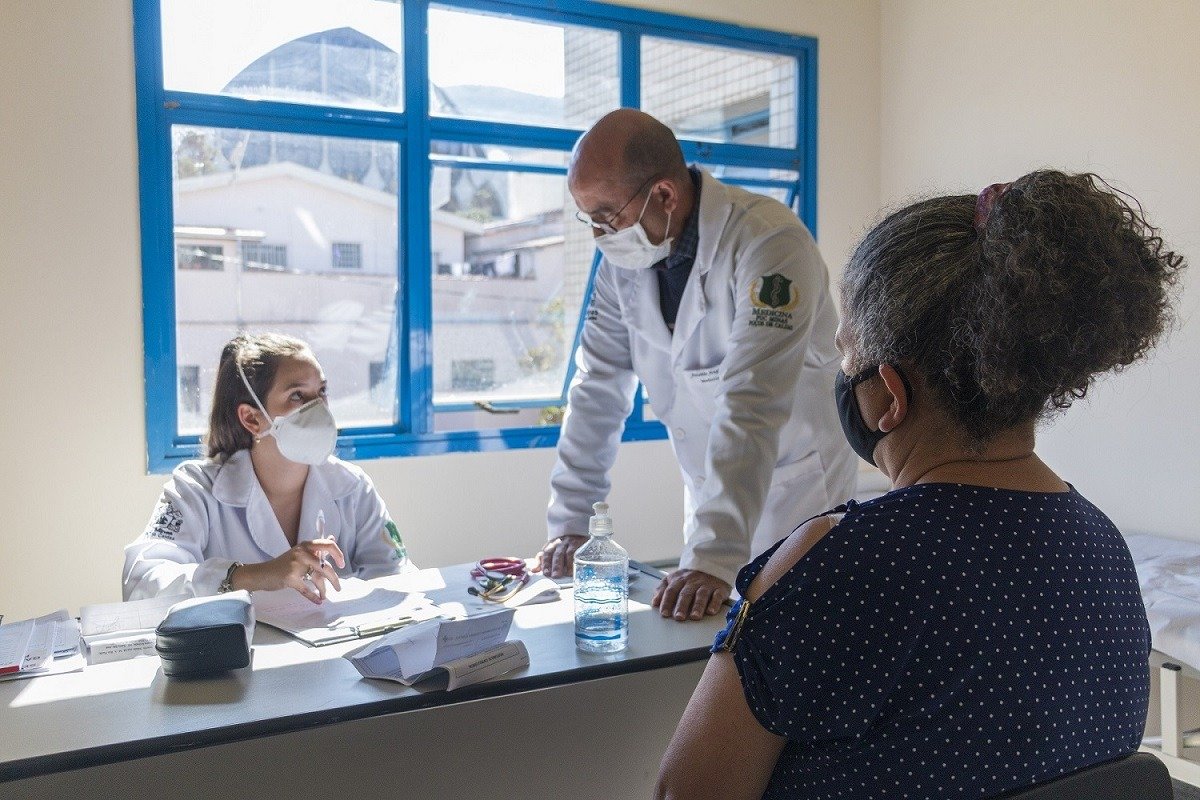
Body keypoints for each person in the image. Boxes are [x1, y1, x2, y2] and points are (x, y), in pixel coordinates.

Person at [657, 171, 1185, 799]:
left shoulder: (840, 564)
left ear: (891, 395)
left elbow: (685, 794)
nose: (841, 377)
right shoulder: (1102, 550)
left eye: (846, 355)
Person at [536, 109, 856, 621]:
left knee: (798, 649)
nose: (600, 234)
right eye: (589, 218)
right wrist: (571, 521)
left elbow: (753, 399)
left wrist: (713, 557)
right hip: (713, 496)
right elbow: (596, 387)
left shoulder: (769, 243)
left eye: (607, 215)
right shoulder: (623, 265)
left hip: (795, 491)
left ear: (664, 194)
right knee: (714, 651)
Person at [124, 333, 410, 603]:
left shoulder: (353, 487)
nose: (319, 409)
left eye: (321, 391)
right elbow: (142, 583)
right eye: (297, 395)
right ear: (251, 418)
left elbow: (399, 579)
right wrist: (256, 575)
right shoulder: (195, 489)